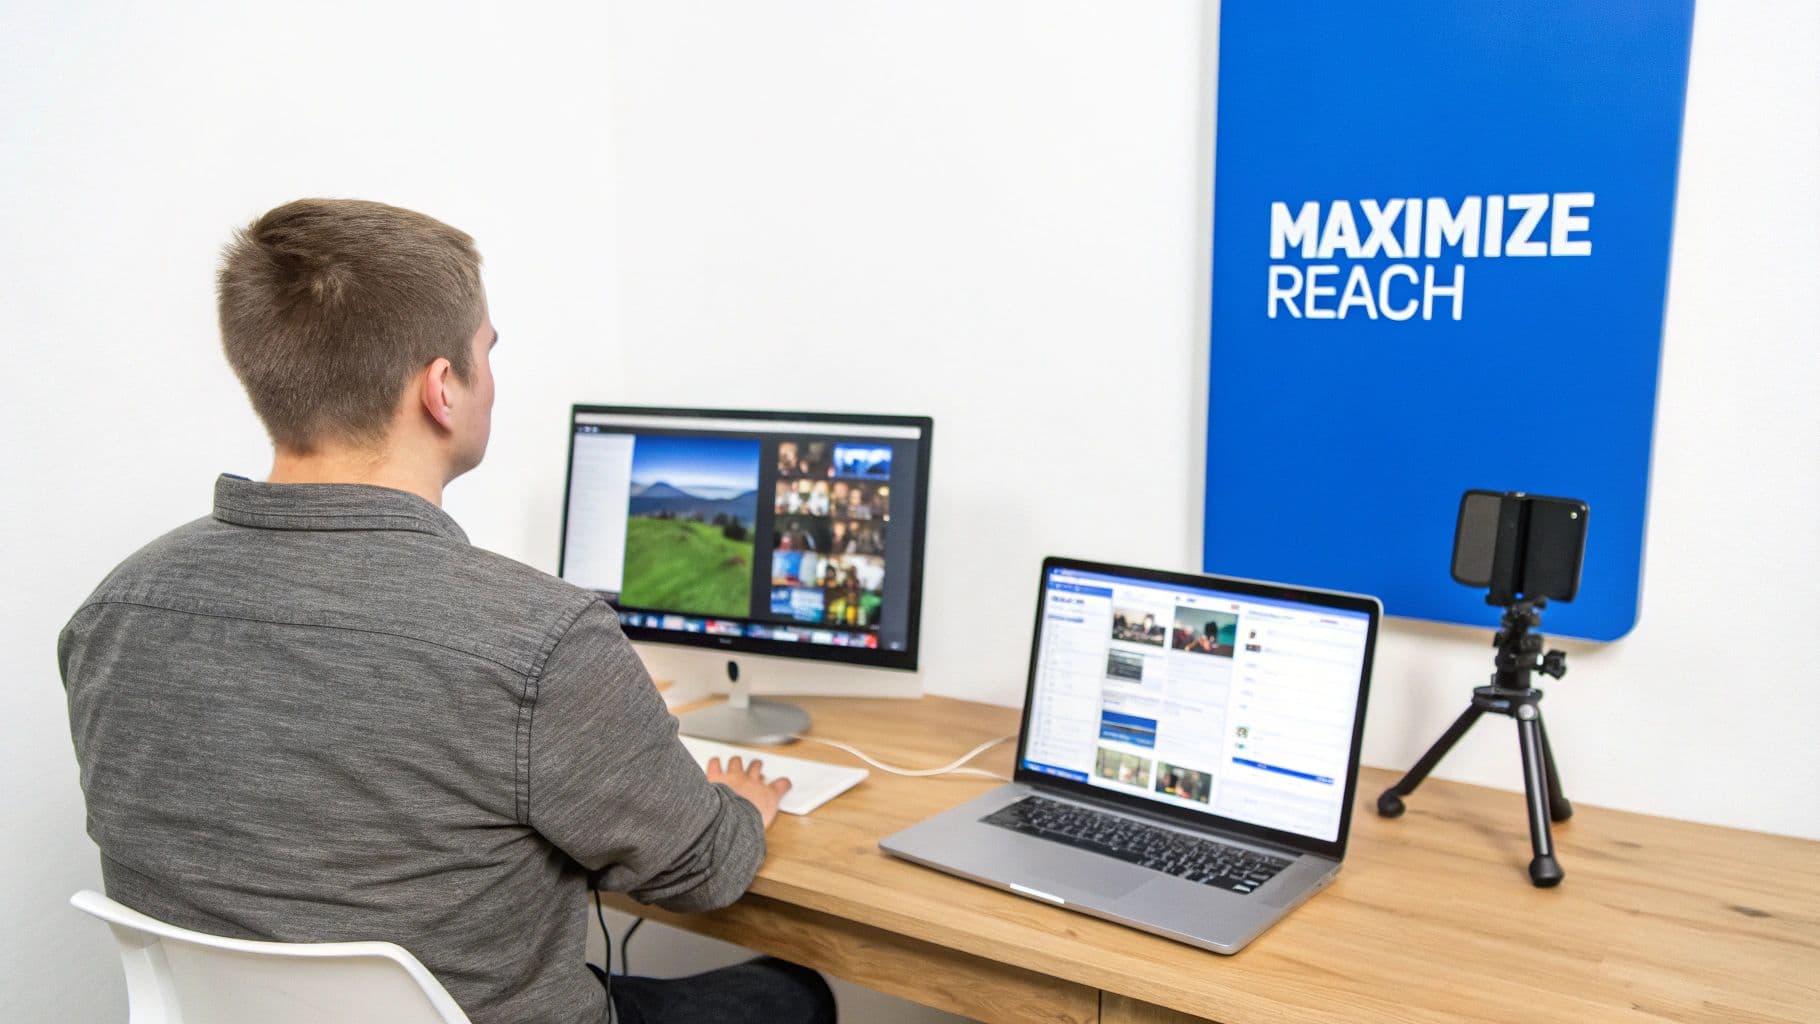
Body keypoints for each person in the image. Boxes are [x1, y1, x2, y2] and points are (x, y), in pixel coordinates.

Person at [57, 199, 835, 1024]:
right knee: (794, 994)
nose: (491, 378)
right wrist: (741, 806)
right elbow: (702, 872)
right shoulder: (536, 642)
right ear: (441, 389)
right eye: (485, 354)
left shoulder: (111, 609)